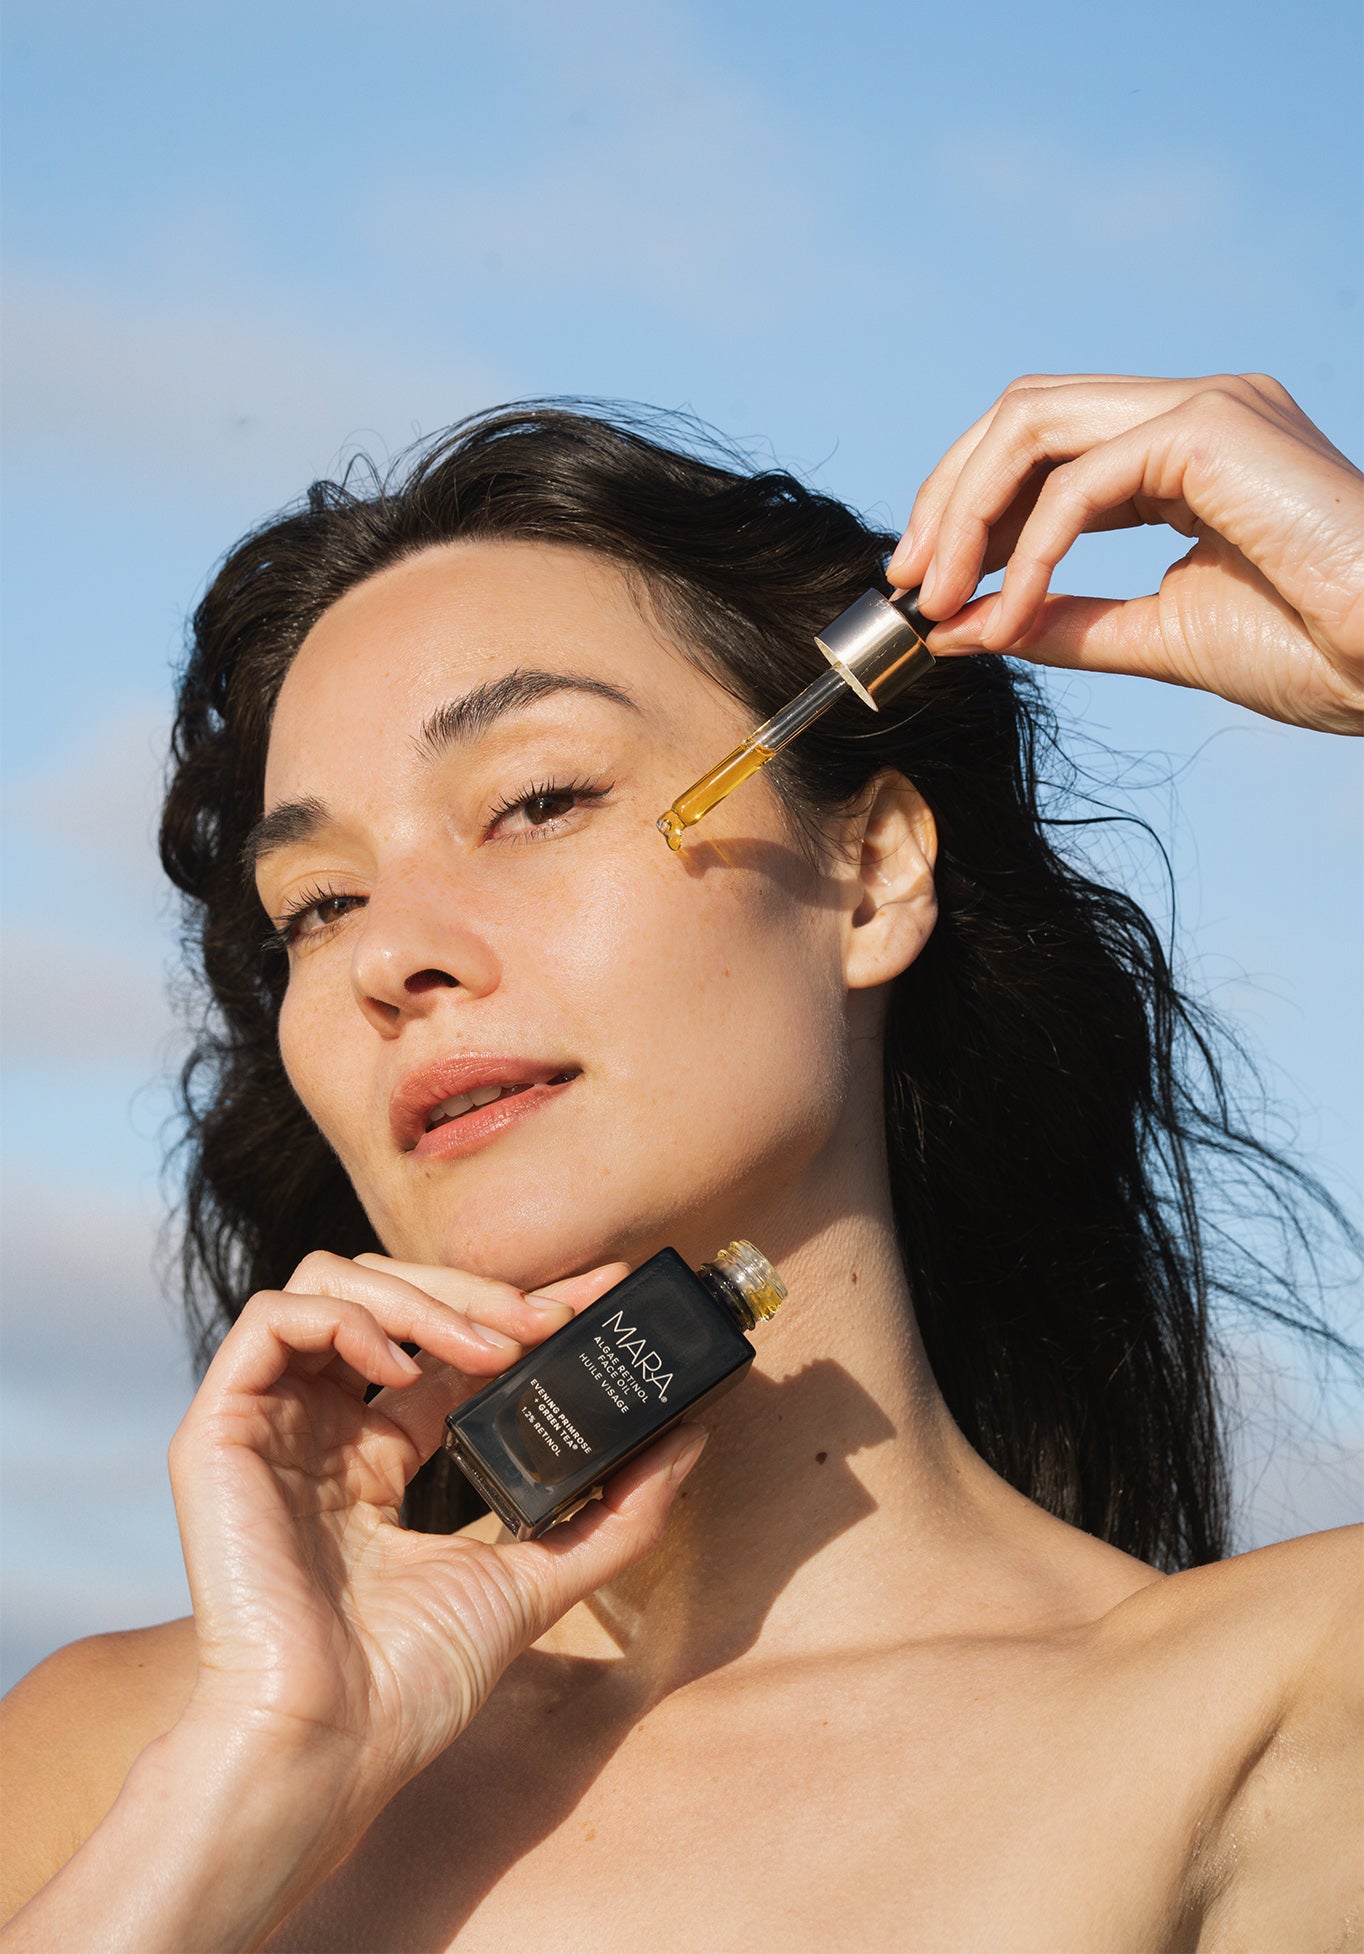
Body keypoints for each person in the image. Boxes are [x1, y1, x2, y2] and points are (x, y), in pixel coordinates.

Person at [1, 373, 1359, 1952]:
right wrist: (246, 1786)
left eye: (537, 799)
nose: (389, 956)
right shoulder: (118, 1754)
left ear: (871, 872)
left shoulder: (1275, 1708)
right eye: (318, 903)